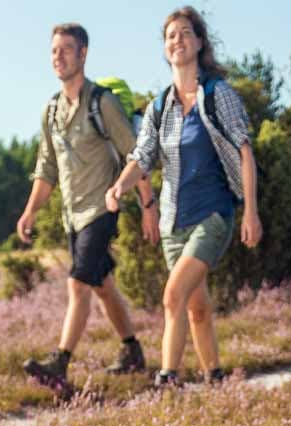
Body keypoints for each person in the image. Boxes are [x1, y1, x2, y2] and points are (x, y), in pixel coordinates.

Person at [105, 5, 262, 388]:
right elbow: (142, 157)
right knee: (197, 309)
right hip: (174, 219)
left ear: (200, 42)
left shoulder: (216, 93)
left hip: (214, 213)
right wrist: (119, 187)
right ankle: (216, 379)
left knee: (173, 295)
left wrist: (250, 213)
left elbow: (244, 151)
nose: (178, 40)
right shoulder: (161, 106)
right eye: (171, 35)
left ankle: (167, 380)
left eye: (185, 33)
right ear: (165, 47)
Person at [16, 23, 159, 389]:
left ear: (83, 54)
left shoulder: (103, 103)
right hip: (71, 215)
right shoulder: (50, 111)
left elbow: (135, 154)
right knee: (102, 284)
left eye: (66, 49)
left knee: (78, 284)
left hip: (102, 208)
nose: (58, 57)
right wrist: (31, 210)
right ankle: (132, 351)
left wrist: (148, 204)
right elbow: (46, 168)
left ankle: (59, 364)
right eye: (54, 51)